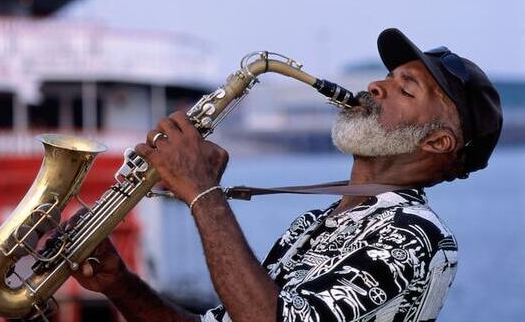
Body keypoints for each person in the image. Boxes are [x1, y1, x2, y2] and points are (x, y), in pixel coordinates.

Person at [69, 28, 502, 322]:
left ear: (437, 142)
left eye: (405, 88)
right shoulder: (313, 222)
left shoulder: (416, 236)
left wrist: (203, 192)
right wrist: (119, 283)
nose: (375, 86)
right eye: (387, 77)